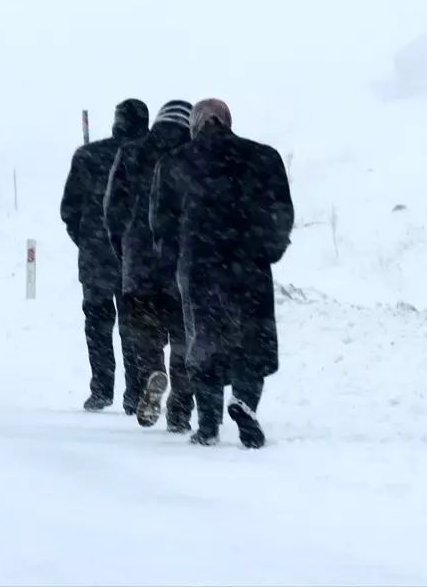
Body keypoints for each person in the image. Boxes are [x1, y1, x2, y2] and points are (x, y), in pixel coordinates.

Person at [148, 98, 293, 448]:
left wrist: (172, 262)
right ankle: (244, 403)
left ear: (195, 126)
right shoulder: (263, 156)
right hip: (250, 266)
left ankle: (209, 424)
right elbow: (281, 211)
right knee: (251, 341)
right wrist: (267, 250)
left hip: (199, 267)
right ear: (227, 121)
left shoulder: (174, 163)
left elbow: (160, 221)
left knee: (205, 343)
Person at [102, 99, 195, 430]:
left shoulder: (131, 152)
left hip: (139, 259)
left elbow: (112, 208)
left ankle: (153, 371)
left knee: (144, 331)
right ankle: (181, 407)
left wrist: (123, 247)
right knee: (185, 338)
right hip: (181, 262)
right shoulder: (194, 156)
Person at [60, 99, 151, 412]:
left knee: (97, 325)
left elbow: (69, 210)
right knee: (134, 326)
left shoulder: (88, 156)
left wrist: (88, 240)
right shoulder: (150, 158)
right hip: (134, 257)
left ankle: (101, 388)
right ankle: (135, 392)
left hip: (96, 256)